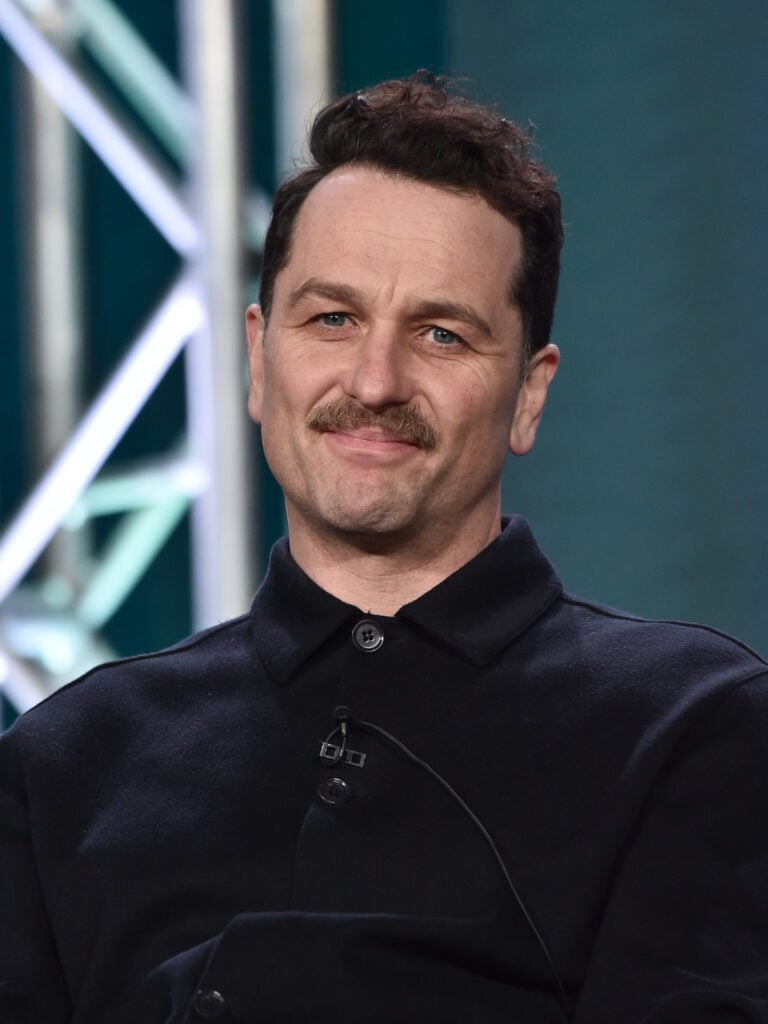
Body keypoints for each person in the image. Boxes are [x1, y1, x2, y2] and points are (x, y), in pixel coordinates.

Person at [1, 71, 767, 1024]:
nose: (374, 381)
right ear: (258, 355)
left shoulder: (691, 726)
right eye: (333, 319)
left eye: (442, 334)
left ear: (529, 393)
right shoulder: (68, 760)